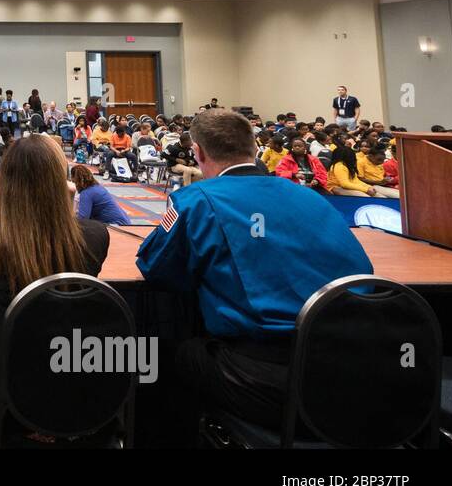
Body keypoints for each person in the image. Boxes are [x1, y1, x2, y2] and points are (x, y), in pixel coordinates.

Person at [136, 109, 373, 430]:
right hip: (362, 370)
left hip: (274, 379)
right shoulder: (312, 198)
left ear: (198, 153)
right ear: (255, 149)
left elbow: (156, 268)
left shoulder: (195, 199)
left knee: (173, 351)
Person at [0, 135, 110, 443]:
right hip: (71, 384)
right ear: (63, 181)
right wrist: (68, 201)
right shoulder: (95, 237)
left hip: (4, 393)